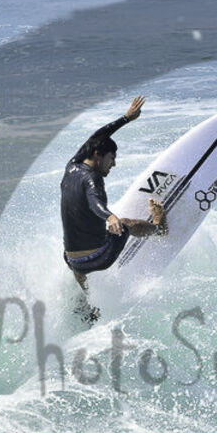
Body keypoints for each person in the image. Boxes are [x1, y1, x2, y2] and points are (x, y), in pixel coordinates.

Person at [60, 95, 167, 321]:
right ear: (98, 155)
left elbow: (96, 137)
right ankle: (159, 228)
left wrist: (126, 118)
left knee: (75, 252)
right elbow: (94, 200)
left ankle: (89, 305)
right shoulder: (93, 178)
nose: (114, 164)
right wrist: (110, 217)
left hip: (72, 261)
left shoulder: (72, 166)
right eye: (112, 158)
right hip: (98, 259)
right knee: (126, 225)